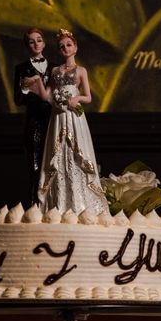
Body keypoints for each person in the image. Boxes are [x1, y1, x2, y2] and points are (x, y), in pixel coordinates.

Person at [24, 29, 109, 215]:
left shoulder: (81, 71)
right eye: (62, 46)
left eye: (68, 45)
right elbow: (47, 96)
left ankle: (82, 204)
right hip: (58, 117)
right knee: (58, 154)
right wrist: (36, 84)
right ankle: (58, 203)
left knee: (76, 152)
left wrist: (76, 99)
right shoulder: (55, 71)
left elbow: (88, 97)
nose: (65, 48)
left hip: (74, 117)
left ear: (75, 48)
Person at [13, 28, 53, 206]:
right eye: (31, 41)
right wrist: (25, 87)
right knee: (35, 166)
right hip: (34, 122)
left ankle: (52, 205)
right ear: (27, 45)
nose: (36, 44)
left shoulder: (55, 68)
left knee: (53, 164)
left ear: (44, 43)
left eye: (39, 40)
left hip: (53, 121)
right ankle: (33, 205)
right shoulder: (22, 68)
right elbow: (18, 99)